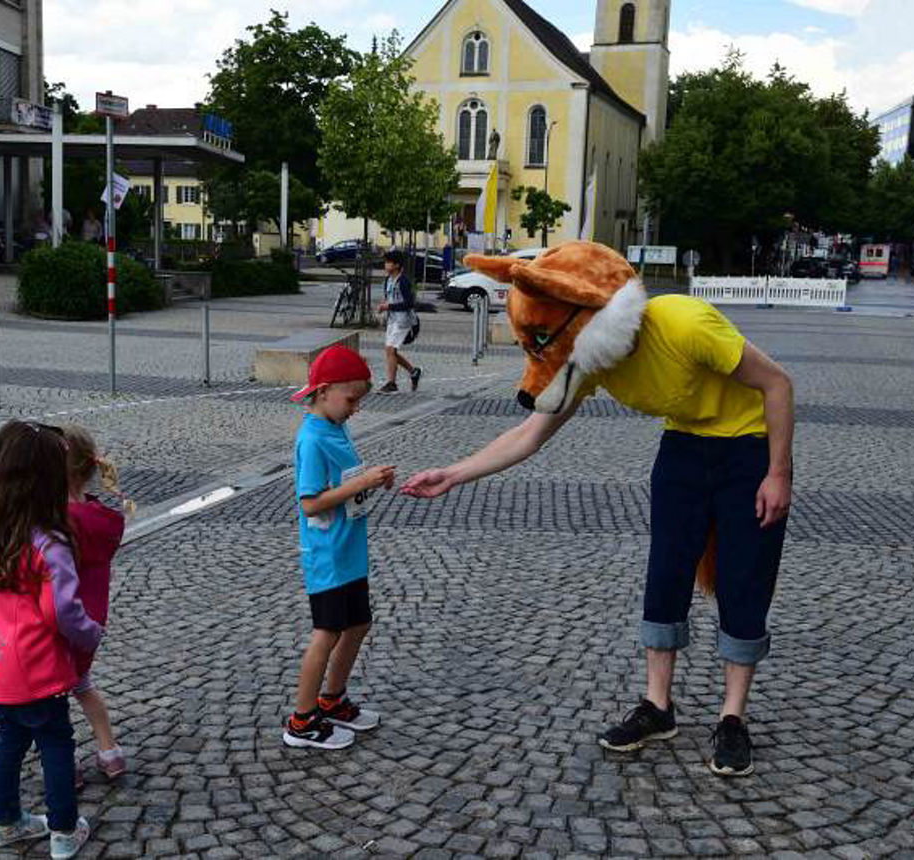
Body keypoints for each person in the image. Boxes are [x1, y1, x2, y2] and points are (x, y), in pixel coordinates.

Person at [402, 243, 794, 778]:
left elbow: (777, 383)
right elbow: (530, 433)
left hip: (747, 448)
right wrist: (453, 474)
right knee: (665, 578)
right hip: (682, 450)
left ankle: (732, 719)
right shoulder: (588, 357)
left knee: (743, 581)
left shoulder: (684, 323)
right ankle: (658, 708)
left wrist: (778, 474)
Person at [0, 421, 99, 858]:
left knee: (9, 741)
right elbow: (60, 611)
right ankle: (63, 830)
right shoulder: (49, 544)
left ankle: (1, 821)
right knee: (56, 743)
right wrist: (90, 633)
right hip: (37, 669)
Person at [284, 345, 392, 749]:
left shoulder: (336, 427)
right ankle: (301, 721)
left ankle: (332, 699)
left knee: (359, 624)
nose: (356, 408)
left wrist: (370, 481)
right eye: (352, 399)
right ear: (325, 391)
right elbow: (309, 501)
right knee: (326, 631)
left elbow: (344, 483)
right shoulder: (312, 438)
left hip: (349, 549)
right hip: (327, 555)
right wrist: (360, 485)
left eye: (360, 400)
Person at [63, 426, 132, 779]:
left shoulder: (56, 523)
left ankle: (61, 763)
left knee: (51, 698)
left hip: (59, 625)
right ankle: (110, 751)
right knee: (83, 685)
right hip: (90, 623)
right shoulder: (100, 519)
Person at [376, 250, 423, 394]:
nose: (386, 265)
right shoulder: (388, 281)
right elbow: (390, 299)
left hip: (404, 321)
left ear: (396, 265)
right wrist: (384, 306)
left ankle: (392, 384)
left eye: (388, 262)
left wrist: (388, 306)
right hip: (392, 320)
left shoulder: (403, 281)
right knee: (391, 352)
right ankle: (413, 371)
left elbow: (409, 303)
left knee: (391, 350)